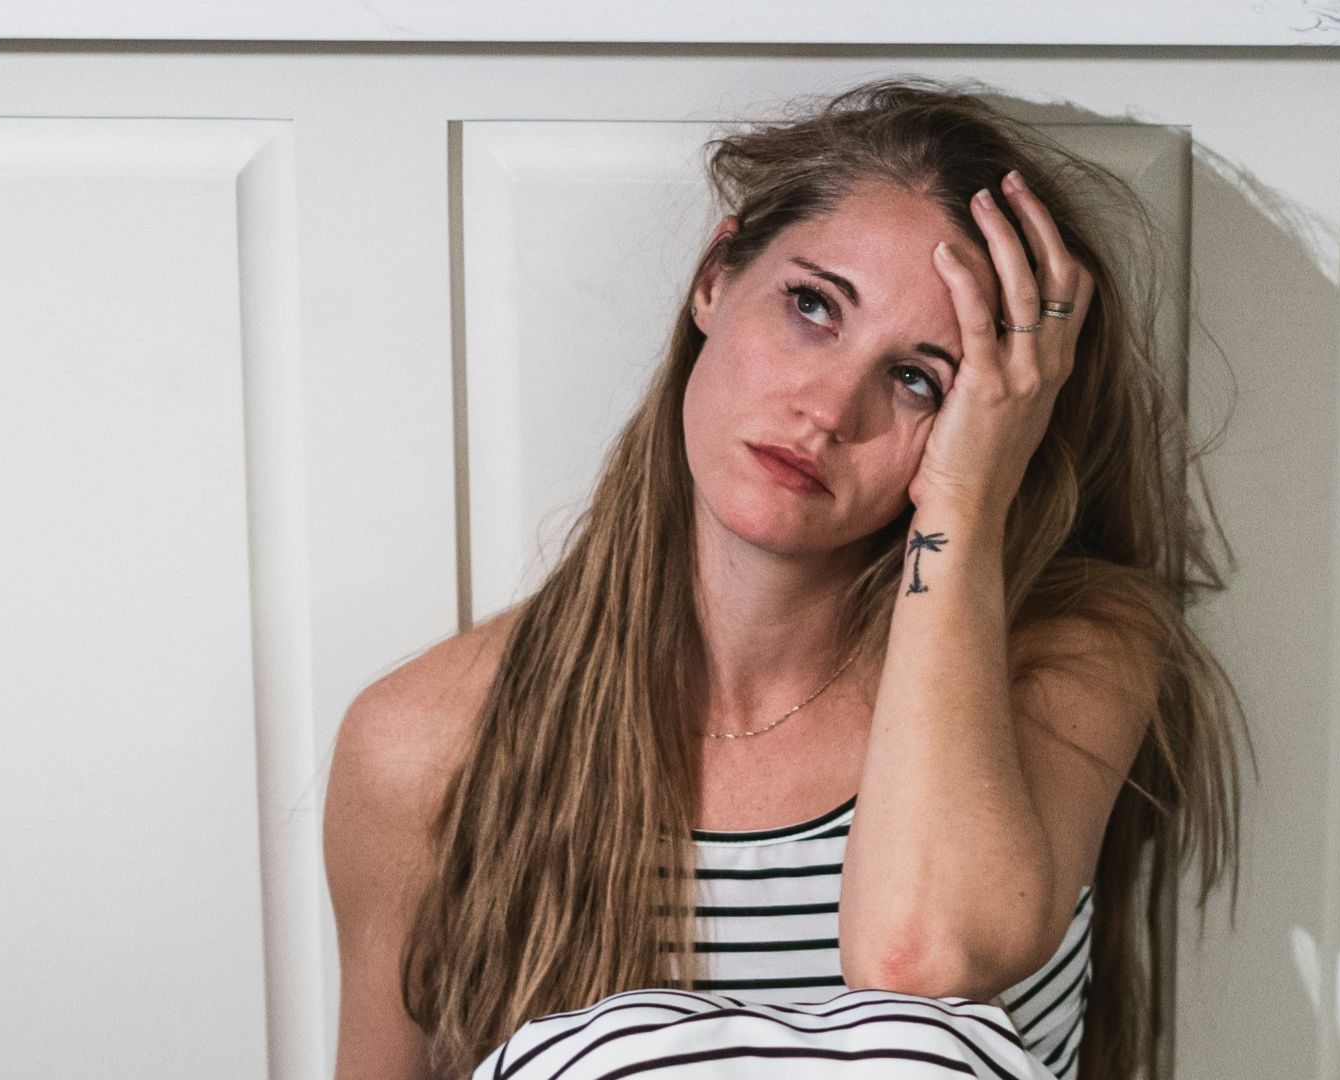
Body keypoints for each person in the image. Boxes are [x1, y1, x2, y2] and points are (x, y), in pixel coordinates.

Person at [324, 75, 1253, 1080]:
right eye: (812, 307)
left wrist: (965, 506)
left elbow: (921, 963)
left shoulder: (1065, 658)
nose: (828, 408)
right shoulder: (426, 744)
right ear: (717, 278)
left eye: (918, 379)